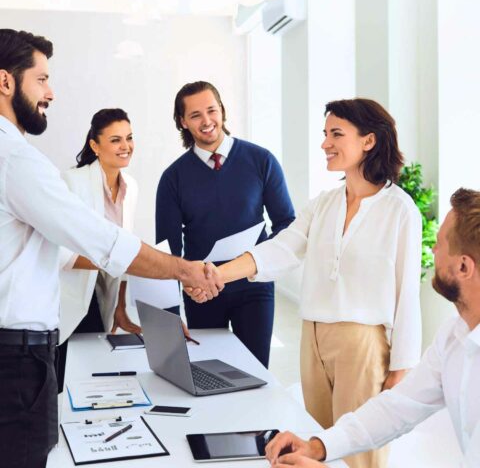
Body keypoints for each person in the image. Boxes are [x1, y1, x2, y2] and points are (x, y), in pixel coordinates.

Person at [0, 29, 221, 468]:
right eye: (41, 79)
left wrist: (125, 308)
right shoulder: (17, 159)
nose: (51, 92)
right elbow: (101, 242)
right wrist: (184, 270)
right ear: (5, 82)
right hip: (17, 359)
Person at [188, 98, 422, 468]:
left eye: (336, 134)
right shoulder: (325, 202)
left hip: (361, 343)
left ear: (369, 141)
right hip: (313, 337)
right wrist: (218, 273)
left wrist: (402, 369)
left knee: (360, 455)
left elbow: (407, 292)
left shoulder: (400, 209)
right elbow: (281, 248)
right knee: (318, 446)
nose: (325, 143)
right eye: (325, 133)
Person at [264, 187, 480, 468]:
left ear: (464, 267)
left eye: (440, 243)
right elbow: (396, 408)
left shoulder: (399, 208)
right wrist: (318, 446)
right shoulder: (453, 335)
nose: (433, 249)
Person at [156, 81, 295, 368]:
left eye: (212, 110)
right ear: (183, 122)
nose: (207, 121)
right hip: (202, 292)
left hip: (254, 287)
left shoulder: (261, 161)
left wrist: (263, 263)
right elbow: (167, 253)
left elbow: (286, 225)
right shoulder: (173, 179)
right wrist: (170, 314)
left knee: (255, 373)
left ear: (223, 111)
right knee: (210, 371)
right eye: (195, 115)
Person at [56, 108, 140, 391]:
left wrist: (121, 307)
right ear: (95, 145)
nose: (125, 146)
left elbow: (126, 246)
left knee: (92, 378)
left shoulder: (132, 187)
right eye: (116, 140)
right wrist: (112, 261)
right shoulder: (72, 181)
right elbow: (60, 252)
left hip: (104, 294)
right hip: (71, 295)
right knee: (68, 377)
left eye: (129, 138)